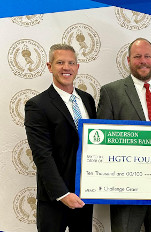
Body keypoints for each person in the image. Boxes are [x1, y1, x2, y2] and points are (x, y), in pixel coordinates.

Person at [97, 38, 151, 232]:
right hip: (126, 188)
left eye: (147, 56)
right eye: (137, 57)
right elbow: (101, 143)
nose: (143, 61)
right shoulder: (111, 92)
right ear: (128, 60)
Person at [24, 44, 96, 232]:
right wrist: (63, 194)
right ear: (49, 66)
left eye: (71, 63)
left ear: (77, 67)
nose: (66, 67)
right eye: (60, 62)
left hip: (84, 193)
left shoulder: (87, 100)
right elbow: (42, 155)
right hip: (54, 197)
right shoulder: (37, 105)